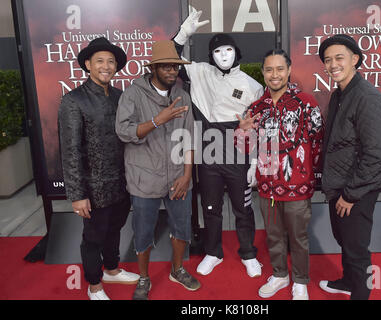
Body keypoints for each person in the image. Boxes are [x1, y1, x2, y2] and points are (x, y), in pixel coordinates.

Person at [172, 10, 264, 277]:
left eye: (228, 50)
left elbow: (257, 128)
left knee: (243, 208)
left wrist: (256, 161)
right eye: (217, 52)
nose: (223, 56)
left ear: (236, 52)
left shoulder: (252, 85)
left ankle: (248, 254)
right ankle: (213, 252)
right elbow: (170, 59)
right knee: (210, 208)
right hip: (208, 155)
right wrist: (182, 35)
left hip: (238, 156)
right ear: (210, 56)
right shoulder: (199, 72)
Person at [236, 49, 324, 300]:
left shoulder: (307, 102)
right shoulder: (256, 107)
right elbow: (244, 148)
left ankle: (300, 281)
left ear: (288, 70)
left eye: (279, 69)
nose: (274, 75)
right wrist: (242, 132)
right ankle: (279, 274)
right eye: (269, 69)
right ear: (263, 72)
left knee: (298, 237)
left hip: (298, 186)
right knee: (273, 235)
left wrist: (306, 173)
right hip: (266, 187)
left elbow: (318, 141)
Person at [115, 40, 200, 300]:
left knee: (182, 226)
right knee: (143, 230)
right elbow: (123, 131)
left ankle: (177, 270)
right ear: (153, 68)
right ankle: (144, 277)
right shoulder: (133, 94)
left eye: (175, 67)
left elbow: (189, 138)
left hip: (177, 176)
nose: (172, 71)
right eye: (165, 67)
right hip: (144, 177)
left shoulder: (182, 95)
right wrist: (156, 121)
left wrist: (187, 175)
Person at [58, 37, 139, 300]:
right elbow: (70, 151)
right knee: (93, 237)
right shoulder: (74, 100)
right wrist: (77, 195)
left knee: (115, 228)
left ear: (116, 66)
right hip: (93, 187)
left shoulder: (120, 96)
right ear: (88, 64)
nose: (106, 66)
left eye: (111, 61)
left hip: (121, 182)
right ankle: (94, 284)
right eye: (100, 61)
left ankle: (112, 269)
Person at [318, 34, 381, 300]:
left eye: (339, 57)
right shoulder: (340, 94)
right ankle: (348, 282)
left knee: (357, 249)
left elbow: (375, 155)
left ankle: (359, 291)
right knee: (345, 241)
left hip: (356, 190)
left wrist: (350, 195)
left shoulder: (368, 98)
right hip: (340, 184)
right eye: (328, 60)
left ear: (355, 59)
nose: (332, 64)